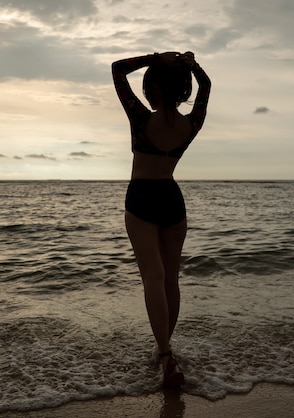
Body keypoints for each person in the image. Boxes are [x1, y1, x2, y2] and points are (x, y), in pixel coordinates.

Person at [112, 51, 211, 388]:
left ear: (152, 89)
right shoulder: (191, 123)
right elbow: (207, 86)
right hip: (171, 198)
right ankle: (164, 350)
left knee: (153, 278)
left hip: (141, 196)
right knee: (171, 279)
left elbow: (117, 69)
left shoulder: (140, 117)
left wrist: (157, 57)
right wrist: (192, 68)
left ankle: (165, 353)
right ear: (182, 89)